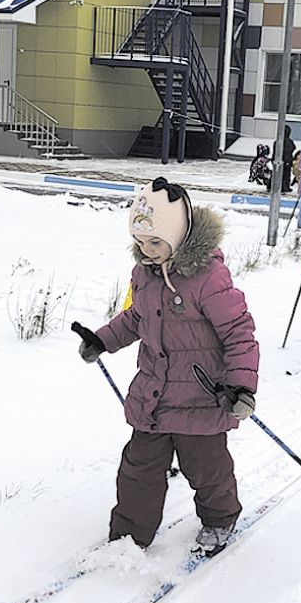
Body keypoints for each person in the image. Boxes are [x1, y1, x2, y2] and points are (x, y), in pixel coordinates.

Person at [76, 178, 259, 553]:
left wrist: (241, 385)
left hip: (203, 398)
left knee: (208, 471)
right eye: (140, 242)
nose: (146, 251)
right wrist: (103, 340)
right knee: (138, 470)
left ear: (177, 234)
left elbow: (239, 331)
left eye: (154, 242)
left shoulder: (208, 278)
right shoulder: (144, 274)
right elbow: (135, 319)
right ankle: (130, 534)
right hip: (154, 397)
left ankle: (220, 518)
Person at [276, 125, 297, 193]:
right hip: (287, 161)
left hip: (279, 161)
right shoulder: (290, 142)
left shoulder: (278, 141)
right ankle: (285, 187)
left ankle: (278, 186)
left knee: (278, 174)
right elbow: (293, 148)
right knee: (286, 175)